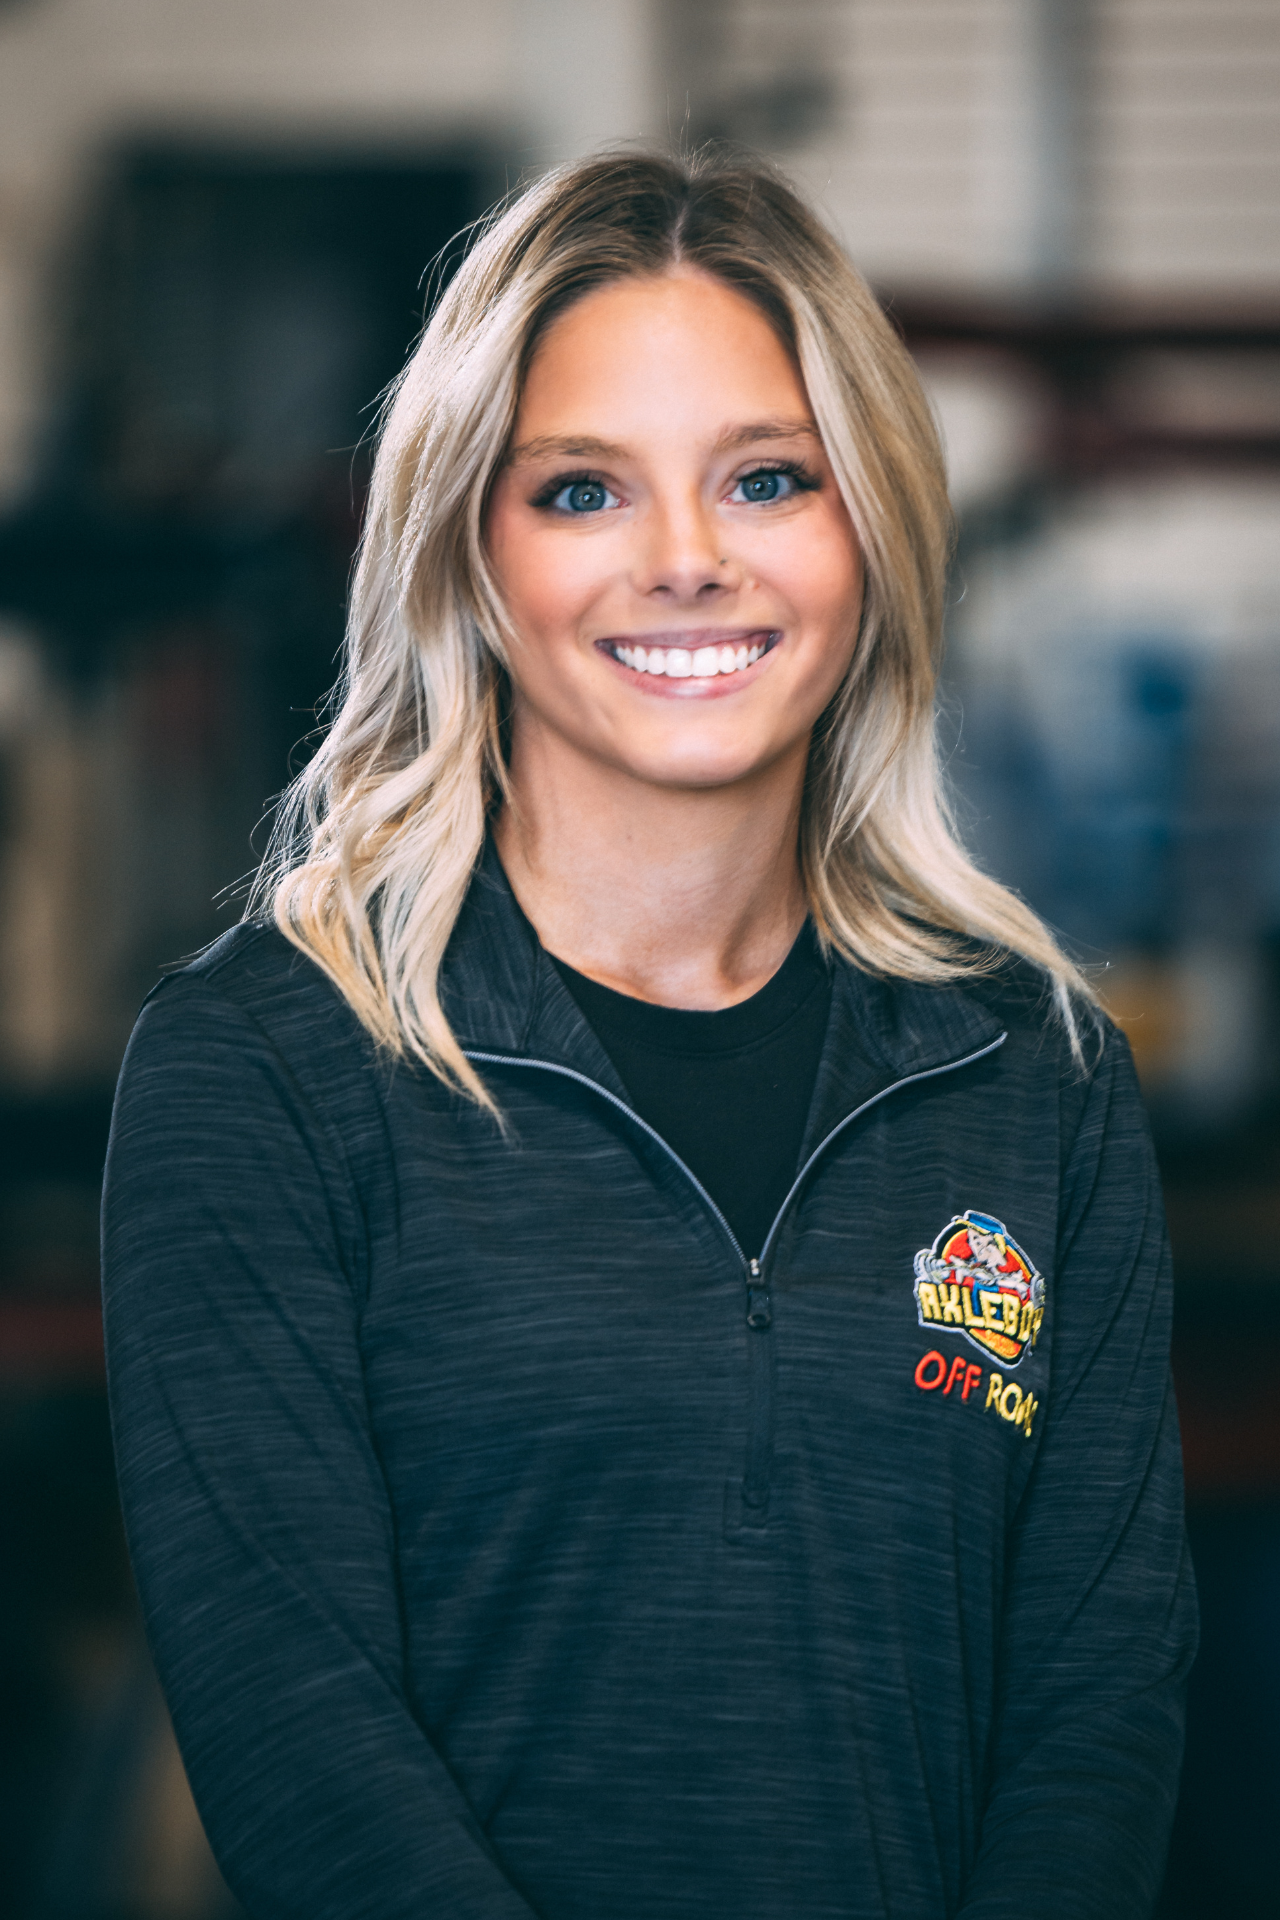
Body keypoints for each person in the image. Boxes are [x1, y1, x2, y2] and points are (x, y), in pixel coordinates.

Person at [102, 149, 1196, 1920]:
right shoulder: (267, 1073)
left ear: (872, 532)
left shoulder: (1036, 1083)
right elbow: (299, 1736)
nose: (688, 563)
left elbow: (1099, 1704)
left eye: (767, 479)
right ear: (472, 550)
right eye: (585, 491)